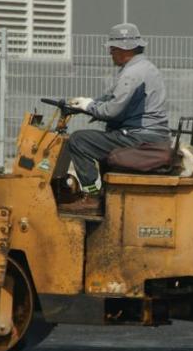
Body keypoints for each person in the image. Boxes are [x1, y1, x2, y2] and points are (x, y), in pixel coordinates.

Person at [58, 22, 170, 216]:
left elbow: (111, 110)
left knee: (79, 140)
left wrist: (88, 106)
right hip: (148, 135)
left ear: (123, 49)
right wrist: (86, 104)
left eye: (112, 48)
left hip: (139, 138)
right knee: (103, 138)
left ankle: (92, 197)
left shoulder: (133, 73)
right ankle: (103, 196)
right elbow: (111, 97)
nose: (110, 53)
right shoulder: (142, 68)